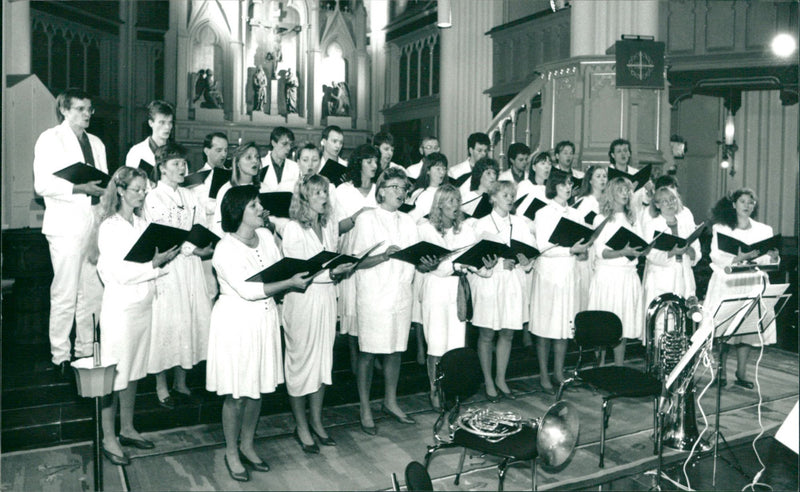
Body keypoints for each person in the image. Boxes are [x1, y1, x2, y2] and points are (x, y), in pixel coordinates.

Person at [206, 185, 313, 482]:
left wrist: (291, 275)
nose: (260, 209)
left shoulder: (265, 236)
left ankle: (248, 445)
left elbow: (275, 270)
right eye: (254, 205)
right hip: (236, 323)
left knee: (256, 389)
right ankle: (231, 451)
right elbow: (248, 290)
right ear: (238, 211)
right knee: (237, 394)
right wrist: (290, 283)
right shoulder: (225, 248)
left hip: (264, 320)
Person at [97, 167, 179, 465]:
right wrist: (153, 265)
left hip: (143, 307)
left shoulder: (144, 223)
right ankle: (108, 436)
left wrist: (165, 257)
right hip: (120, 310)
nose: (143, 194)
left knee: (132, 373)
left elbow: (152, 265)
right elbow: (116, 272)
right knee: (114, 375)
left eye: (145, 189)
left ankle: (128, 428)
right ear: (120, 190)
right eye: (137, 190)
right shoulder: (110, 226)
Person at [33, 88, 107, 374]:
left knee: (92, 292)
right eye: (79, 109)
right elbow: (42, 185)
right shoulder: (50, 139)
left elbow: (101, 183)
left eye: (89, 109)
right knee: (65, 292)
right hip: (65, 225)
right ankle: (60, 355)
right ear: (64, 110)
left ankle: (85, 349)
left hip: (93, 222)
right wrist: (78, 187)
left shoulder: (97, 143)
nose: (86, 114)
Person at [282, 175, 355, 452]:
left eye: (325, 191)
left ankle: (316, 420)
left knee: (323, 362)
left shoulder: (330, 225)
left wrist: (337, 273)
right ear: (304, 198)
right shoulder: (292, 229)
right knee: (301, 364)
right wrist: (331, 272)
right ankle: (301, 425)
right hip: (302, 301)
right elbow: (296, 273)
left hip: (325, 299)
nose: (324, 197)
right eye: (317, 192)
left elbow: (329, 266)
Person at [349, 167, 419, 434]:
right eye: (395, 188)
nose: (401, 193)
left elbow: (414, 255)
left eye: (404, 188)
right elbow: (357, 262)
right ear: (381, 191)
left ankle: (390, 401)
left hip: (400, 293)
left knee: (395, 349)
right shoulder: (368, 220)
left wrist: (425, 260)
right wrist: (384, 256)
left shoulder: (409, 221)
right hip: (374, 295)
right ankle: (365, 406)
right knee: (368, 352)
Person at [144, 143, 214, 409]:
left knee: (188, 321)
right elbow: (165, 233)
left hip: (191, 267)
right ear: (161, 168)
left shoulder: (190, 195)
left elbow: (200, 227)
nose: (182, 168)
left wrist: (201, 245)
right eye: (175, 164)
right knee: (167, 324)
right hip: (169, 268)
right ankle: (162, 386)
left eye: (184, 163)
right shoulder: (154, 197)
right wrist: (191, 247)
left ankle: (181, 383)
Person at [417, 184, 495, 409]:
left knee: (454, 347)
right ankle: (434, 391)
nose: (455, 206)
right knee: (436, 347)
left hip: (458, 290)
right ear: (439, 205)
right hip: (436, 291)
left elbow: (476, 263)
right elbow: (439, 268)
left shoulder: (466, 229)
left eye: (457, 201)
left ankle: (450, 390)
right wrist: (461, 264)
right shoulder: (427, 229)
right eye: (450, 201)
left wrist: (486, 266)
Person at [705, 188, 780, 389]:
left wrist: (773, 257)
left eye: (751, 202)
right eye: (743, 201)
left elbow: (766, 259)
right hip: (729, 282)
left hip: (752, 282)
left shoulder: (764, 229)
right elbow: (715, 256)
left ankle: (741, 371)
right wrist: (738, 258)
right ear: (734, 204)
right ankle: (720, 371)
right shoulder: (722, 228)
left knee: (747, 328)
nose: (747, 205)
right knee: (724, 328)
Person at [471, 180, 535, 401]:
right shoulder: (480, 224)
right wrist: (498, 264)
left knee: (507, 332)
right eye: (505, 194)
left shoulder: (520, 223)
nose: (510, 198)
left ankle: (500, 378)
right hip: (490, 283)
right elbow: (474, 259)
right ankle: (488, 380)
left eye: (512, 195)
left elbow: (529, 255)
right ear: (493, 197)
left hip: (512, 283)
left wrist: (526, 260)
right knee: (487, 333)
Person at [530, 170, 590, 392]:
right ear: (554, 186)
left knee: (564, 325)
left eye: (570, 184)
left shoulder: (576, 215)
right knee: (546, 326)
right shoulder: (543, 213)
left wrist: (582, 249)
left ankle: (558, 371)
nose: (568, 187)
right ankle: (544, 374)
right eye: (564, 184)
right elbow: (543, 247)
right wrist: (570, 249)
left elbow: (581, 244)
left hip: (568, 275)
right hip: (549, 276)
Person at [587, 177, 646, 365]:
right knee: (604, 324)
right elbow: (600, 252)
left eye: (628, 190)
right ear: (611, 193)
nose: (625, 194)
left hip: (627, 276)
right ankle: (600, 367)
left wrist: (642, 249)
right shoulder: (600, 219)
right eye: (621, 190)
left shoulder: (633, 219)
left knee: (624, 323)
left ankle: (619, 367)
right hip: (607, 277)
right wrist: (622, 251)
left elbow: (642, 245)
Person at [334, 144, 379, 375]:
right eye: (369, 161)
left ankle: (372, 357)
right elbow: (335, 228)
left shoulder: (380, 190)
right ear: (358, 162)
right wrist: (357, 216)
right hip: (352, 255)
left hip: (376, 256)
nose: (375, 165)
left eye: (376, 161)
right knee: (353, 310)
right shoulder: (343, 191)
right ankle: (355, 362)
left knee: (373, 309)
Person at [642, 186, 700, 341]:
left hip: (684, 276)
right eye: (664, 201)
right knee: (662, 323)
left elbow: (697, 253)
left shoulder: (686, 224)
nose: (669, 203)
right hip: (661, 279)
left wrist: (690, 252)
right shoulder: (652, 225)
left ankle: (680, 361)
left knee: (681, 322)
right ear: (657, 205)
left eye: (672, 199)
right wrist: (673, 252)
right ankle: (659, 360)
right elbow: (650, 255)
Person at [571, 165, 608, 310]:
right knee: (586, 292)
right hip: (588, 249)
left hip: (602, 249)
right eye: (598, 176)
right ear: (590, 181)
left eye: (604, 176)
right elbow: (578, 227)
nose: (602, 179)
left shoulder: (607, 202)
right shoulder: (585, 201)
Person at [211, 142, 264, 236]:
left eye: (257, 157)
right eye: (249, 157)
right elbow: (218, 224)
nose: (255, 161)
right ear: (237, 163)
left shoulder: (264, 188)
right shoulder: (227, 189)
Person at [125, 100, 174, 179]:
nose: (167, 127)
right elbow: (131, 184)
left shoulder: (176, 152)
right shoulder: (136, 152)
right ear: (151, 123)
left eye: (170, 122)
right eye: (162, 122)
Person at [608, 138, 653, 215]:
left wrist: (649, 191)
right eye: (619, 151)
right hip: (614, 215)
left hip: (635, 214)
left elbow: (646, 201)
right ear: (613, 155)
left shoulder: (637, 173)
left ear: (629, 153)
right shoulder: (607, 174)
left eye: (625, 151)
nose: (623, 154)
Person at [408, 152, 449, 223]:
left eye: (444, 169)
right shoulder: (420, 193)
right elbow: (411, 219)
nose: (442, 172)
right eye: (438, 169)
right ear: (428, 170)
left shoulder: (448, 192)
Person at [261, 126, 299, 192]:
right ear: (273, 143)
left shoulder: (295, 167)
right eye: (284, 144)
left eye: (291, 144)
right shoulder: (260, 164)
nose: (288, 148)